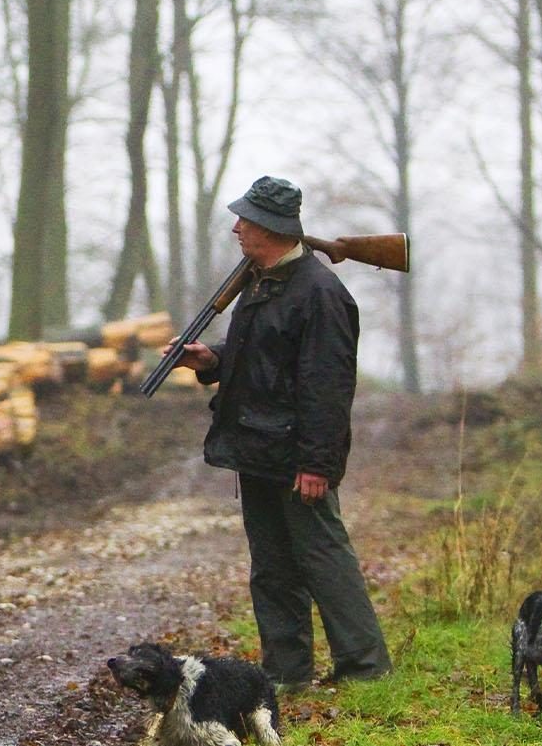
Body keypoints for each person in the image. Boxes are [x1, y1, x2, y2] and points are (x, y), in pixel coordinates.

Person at [167, 176, 392, 694]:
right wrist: (212, 360)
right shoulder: (261, 279)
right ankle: (286, 673)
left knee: (323, 557)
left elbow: (327, 387)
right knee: (271, 566)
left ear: (269, 228)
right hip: (258, 447)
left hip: (296, 455)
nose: (237, 228)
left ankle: (364, 667)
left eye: (245, 220)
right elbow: (262, 357)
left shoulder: (320, 292)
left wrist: (318, 463)